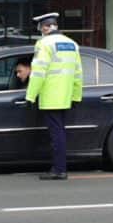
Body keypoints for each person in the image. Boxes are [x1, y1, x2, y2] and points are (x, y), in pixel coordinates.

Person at [25, 12, 83, 181]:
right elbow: (78, 73)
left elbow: (38, 72)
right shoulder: (72, 44)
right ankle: (59, 168)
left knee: (56, 135)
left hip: (50, 97)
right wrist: (76, 96)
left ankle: (59, 169)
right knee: (60, 133)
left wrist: (30, 96)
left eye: (40, 28)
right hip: (66, 96)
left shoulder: (44, 44)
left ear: (44, 27)